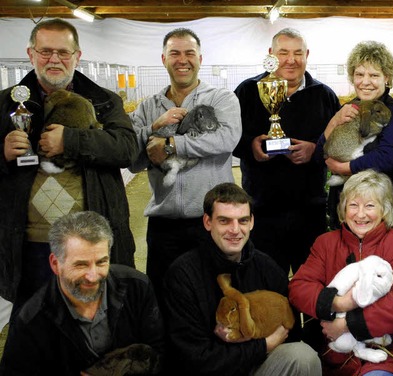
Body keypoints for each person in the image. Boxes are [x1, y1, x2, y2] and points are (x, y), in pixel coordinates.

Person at [0, 18, 137, 311]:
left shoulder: (104, 101)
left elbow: (127, 149)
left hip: (90, 243)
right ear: (31, 54)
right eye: (45, 51)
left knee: (92, 325)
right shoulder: (6, 103)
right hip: (30, 244)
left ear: (77, 56)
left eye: (63, 52)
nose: (54, 59)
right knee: (33, 327)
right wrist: (3, 153)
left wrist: (72, 141)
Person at [129, 28, 241, 302]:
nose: (182, 60)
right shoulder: (148, 108)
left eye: (189, 53)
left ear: (200, 58)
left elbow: (226, 139)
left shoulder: (221, 99)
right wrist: (152, 128)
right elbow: (131, 159)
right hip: (163, 224)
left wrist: (171, 145)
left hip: (210, 221)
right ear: (163, 59)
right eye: (174, 53)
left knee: (214, 298)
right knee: (163, 300)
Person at [163, 182, 321, 376]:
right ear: (207, 222)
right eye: (225, 221)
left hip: (258, 367)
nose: (235, 230)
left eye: (243, 221)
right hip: (207, 370)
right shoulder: (183, 275)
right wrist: (263, 345)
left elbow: (290, 332)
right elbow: (192, 357)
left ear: (252, 222)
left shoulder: (267, 268)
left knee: (303, 356)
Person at [289, 169, 393, 376]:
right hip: (335, 353)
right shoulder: (326, 243)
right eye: (353, 205)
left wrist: (346, 325)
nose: (360, 214)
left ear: (384, 210)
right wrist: (339, 303)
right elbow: (299, 288)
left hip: (387, 351)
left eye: (370, 206)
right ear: (343, 208)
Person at [0, 211, 164, 375]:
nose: (93, 277)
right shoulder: (30, 322)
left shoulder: (137, 287)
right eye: (81, 265)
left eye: (101, 262)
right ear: (55, 264)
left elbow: (160, 354)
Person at [233, 27, 340, 275]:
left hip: (310, 210)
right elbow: (231, 137)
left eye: (297, 53)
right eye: (283, 52)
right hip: (262, 209)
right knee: (268, 285)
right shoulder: (248, 91)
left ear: (307, 55)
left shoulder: (324, 96)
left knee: (313, 282)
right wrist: (251, 146)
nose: (291, 60)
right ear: (271, 54)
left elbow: (338, 143)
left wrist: (316, 150)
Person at [318, 40, 393, 239]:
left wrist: (345, 168)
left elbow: (389, 157)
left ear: (387, 78)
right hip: (348, 216)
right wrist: (333, 123)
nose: (366, 82)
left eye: (374, 75)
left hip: (387, 217)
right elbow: (319, 154)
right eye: (359, 74)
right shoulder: (347, 110)